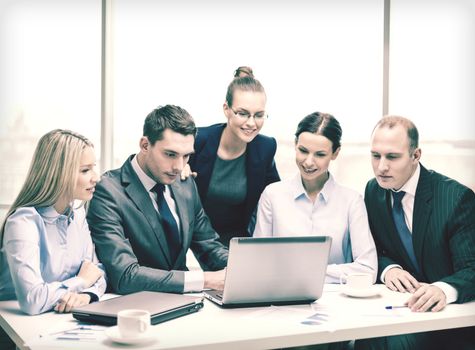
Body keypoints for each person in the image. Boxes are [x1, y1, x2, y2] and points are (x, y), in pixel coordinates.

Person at [355, 116, 475, 350]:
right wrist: (388, 269)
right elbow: (373, 249)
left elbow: (472, 268)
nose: (381, 167)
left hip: (448, 320)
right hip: (399, 311)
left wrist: (443, 289)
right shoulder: (373, 191)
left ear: (416, 155)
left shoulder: (456, 199)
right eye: (375, 155)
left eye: (392, 157)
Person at [87, 104, 228, 295]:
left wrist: (241, 269)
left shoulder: (185, 184)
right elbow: (125, 276)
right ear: (145, 145)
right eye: (170, 154)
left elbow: (208, 246)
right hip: (134, 308)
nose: (179, 166)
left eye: (186, 156)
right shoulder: (108, 191)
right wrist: (205, 280)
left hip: (185, 306)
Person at [254, 112, 377, 284]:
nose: (309, 162)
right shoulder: (272, 195)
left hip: (337, 301)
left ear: (335, 153)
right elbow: (257, 262)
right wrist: (333, 273)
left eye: (320, 155)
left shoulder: (352, 201)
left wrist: (303, 272)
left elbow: (367, 269)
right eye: (303, 151)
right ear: (295, 144)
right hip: (281, 298)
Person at [0, 129, 106, 316]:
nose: (96, 177)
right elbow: (32, 300)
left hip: (57, 321)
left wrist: (87, 295)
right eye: (85, 170)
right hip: (13, 332)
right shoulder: (22, 223)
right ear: (59, 173)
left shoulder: (78, 215)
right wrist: (80, 282)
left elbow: (97, 271)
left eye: (93, 167)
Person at [186, 66, 280, 247]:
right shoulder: (196, 140)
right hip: (191, 233)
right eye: (242, 113)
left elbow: (277, 195)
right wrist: (179, 165)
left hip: (233, 239)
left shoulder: (265, 148)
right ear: (226, 109)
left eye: (259, 115)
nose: (251, 123)